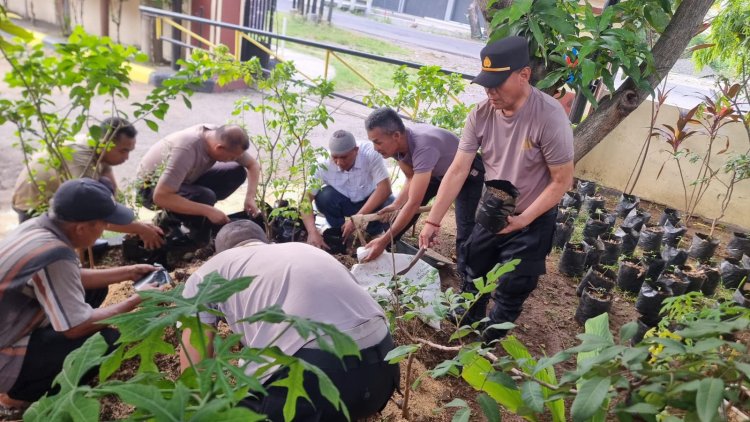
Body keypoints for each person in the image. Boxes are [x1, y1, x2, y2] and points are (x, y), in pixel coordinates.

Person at [418, 36, 574, 344]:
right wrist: (433, 221)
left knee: (515, 283)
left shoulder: (549, 116)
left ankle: (489, 337)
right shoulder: (480, 114)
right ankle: (467, 320)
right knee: (473, 267)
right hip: (491, 208)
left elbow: (561, 181)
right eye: (486, 83)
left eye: (497, 83)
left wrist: (524, 219)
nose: (490, 91)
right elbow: (459, 169)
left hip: (533, 214)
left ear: (524, 75)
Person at [179, 220, 399, 421]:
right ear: (267, 241)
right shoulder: (306, 250)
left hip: (314, 376)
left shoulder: (208, 273)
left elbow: (194, 372)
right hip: (383, 367)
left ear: (220, 253)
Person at [0, 178, 160, 418]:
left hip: (10, 324)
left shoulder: (38, 226)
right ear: (81, 228)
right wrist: (134, 301)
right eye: (103, 224)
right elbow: (75, 328)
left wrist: (128, 272)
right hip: (5, 351)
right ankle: (16, 398)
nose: (105, 229)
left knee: (96, 289)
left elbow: (70, 276)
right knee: (104, 340)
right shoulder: (55, 254)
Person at [12, 117, 164, 249]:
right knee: (47, 253)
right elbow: (87, 210)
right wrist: (139, 229)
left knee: (103, 185)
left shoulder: (99, 150)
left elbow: (112, 196)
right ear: (105, 144)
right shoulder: (80, 157)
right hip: (34, 205)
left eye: (130, 151)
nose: (127, 158)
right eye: (123, 151)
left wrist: (134, 222)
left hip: (57, 201)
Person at [363, 107, 484, 270]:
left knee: (465, 228)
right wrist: (396, 204)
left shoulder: (424, 146)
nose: (375, 148)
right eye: (372, 142)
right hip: (436, 172)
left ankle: (469, 279)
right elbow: (411, 177)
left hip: (467, 174)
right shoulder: (397, 146)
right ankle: (388, 256)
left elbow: (414, 203)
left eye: (377, 142)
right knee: (394, 215)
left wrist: (383, 239)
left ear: (396, 136)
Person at [136, 124, 261, 235]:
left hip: (184, 180)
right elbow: (160, 196)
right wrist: (208, 211)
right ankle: (168, 220)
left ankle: (193, 213)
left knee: (236, 172)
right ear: (219, 148)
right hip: (150, 190)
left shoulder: (219, 137)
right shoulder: (187, 149)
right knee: (205, 196)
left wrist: (250, 197)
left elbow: (253, 165)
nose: (234, 159)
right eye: (232, 157)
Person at [301, 130, 393, 249]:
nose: (339, 162)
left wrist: (356, 218)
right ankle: (341, 233)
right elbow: (305, 200)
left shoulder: (371, 153)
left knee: (390, 203)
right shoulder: (322, 165)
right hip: (343, 202)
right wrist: (312, 232)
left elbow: (385, 188)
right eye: (335, 157)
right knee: (324, 197)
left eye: (344, 157)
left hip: (369, 202)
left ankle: (373, 232)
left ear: (356, 150)